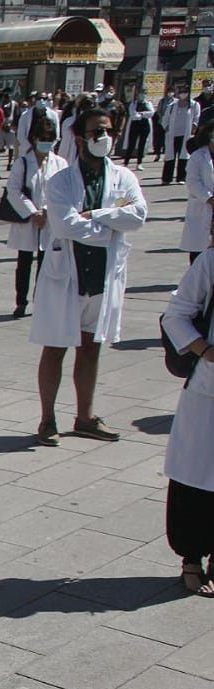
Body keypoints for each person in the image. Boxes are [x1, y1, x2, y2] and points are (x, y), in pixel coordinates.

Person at [27, 108, 147, 447]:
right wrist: (110, 227)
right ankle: (47, 419)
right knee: (55, 346)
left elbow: (137, 215)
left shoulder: (123, 177)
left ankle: (84, 416)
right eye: (96, 132)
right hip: (67, 273)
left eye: (107, 130)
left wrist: (96, 215)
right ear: (79, 137)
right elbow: (66, 225)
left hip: (103, 275)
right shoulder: (61, 180)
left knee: (92, 346)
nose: (103, 138)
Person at [162, 244, 214, 597]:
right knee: (195, 472)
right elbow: (176, 315)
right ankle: (191, 558)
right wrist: (207, 352)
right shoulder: (210, 262)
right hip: (209, 388)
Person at [6, 115, 68, 318]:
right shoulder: (23, 163)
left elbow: (66, 191)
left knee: (47, 263)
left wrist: (48, 211)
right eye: (43, 139)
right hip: (28, 220)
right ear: (33, 139)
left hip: (50, 221)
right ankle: (21, 301)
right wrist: (33, 212)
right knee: (23, 264)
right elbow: (13, 190)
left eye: (50, 139)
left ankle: (41, 301)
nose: (46, 143)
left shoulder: (60, 163)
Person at [179, 119, 214, 265]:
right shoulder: (198, 156)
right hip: (203, 206)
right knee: (199, 252)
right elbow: (192, 181)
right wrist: (209, 198)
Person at [164, 89, 201, 186]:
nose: (183, 94)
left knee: (183, 156)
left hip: (185, 134)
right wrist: (166, 126)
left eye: (184, 92)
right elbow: (165, 118)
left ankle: (181, 177)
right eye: (181, 92)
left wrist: (194, 126)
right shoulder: (172, 105)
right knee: (170, 156)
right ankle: (167, 178)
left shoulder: (194, 105)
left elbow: (197, 117)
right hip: (172, 134)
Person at [123, 92, 153, 170]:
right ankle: (126, 162)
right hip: (135, 125)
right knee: (131, 144)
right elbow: (133, 115)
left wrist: (141, 114)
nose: (142, 96)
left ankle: (139, 163)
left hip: (145, 125)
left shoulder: (148, 103)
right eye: (140, 94)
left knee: (142, 145)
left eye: (144, 94)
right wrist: (143, 115)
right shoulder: (133, 104)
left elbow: (151, 113)